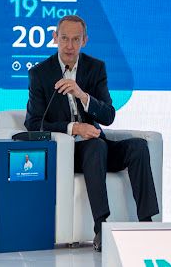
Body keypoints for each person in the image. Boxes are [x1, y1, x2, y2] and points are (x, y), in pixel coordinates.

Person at [25, 15, 159, 252]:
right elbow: (34, 123)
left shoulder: (95, 68)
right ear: (55, 38)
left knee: (138, 146)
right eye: (64, 38)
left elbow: (108, 115)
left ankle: (147, 224)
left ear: (84, 41)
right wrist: (74, 128)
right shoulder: (40, 73)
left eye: (76, 39)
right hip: (69, 153)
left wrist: (83, 95)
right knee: (95, 146)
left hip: (100, 147)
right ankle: (101, 228)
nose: (69, 46)